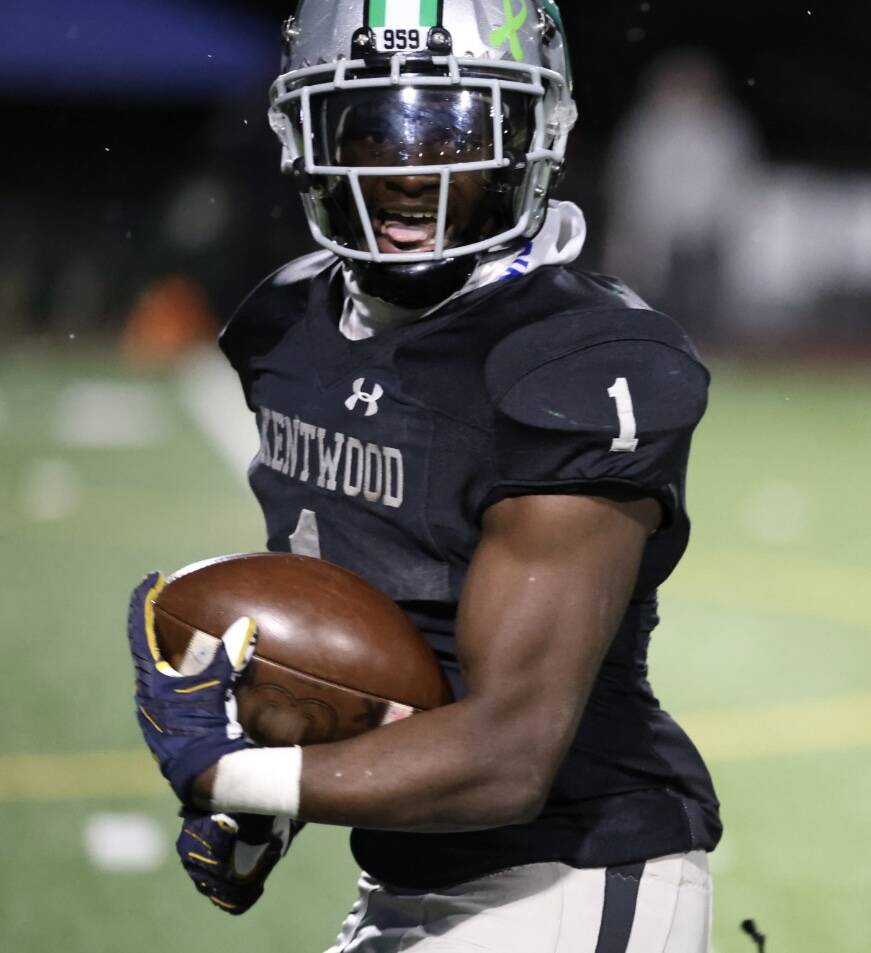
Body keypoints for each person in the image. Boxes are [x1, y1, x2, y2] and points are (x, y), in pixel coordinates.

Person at [128, 3, 722, 951]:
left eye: (451, 130)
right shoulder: (286, 325)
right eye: (371, 127)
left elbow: (511, 754)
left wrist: (228, 772)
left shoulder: (575, 359)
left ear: (530, 136)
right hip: (412, 873)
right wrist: (278, 779)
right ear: (308, 138)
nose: (409, 170)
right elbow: (360, 630)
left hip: (570, 870)